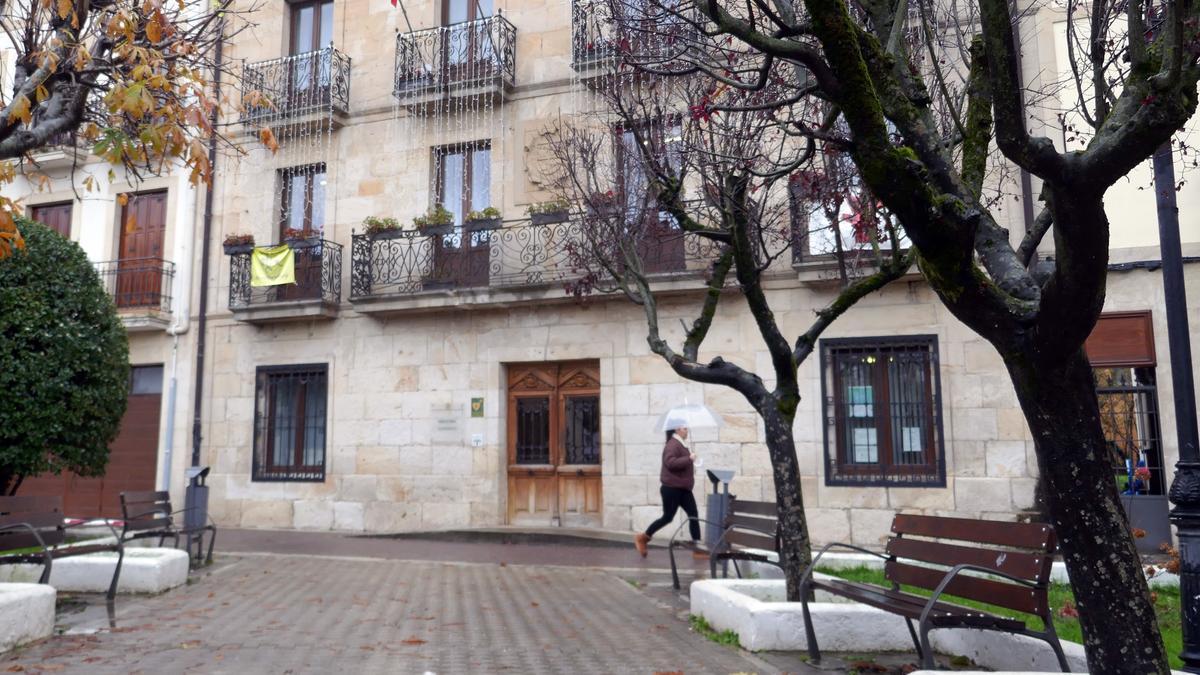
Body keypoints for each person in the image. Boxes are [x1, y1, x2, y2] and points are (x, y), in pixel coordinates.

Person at [634, 424, 705, 558]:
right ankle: (643, 537)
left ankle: (698, 550)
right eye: (685, 428)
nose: (687, 431)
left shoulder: (681, 444)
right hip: (672, 488)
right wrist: (688, 458)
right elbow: (670, 463)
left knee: (693, 515)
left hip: (683, 488)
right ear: (677, 429)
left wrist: (690, 458)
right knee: (668, 517)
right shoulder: (672, 444)